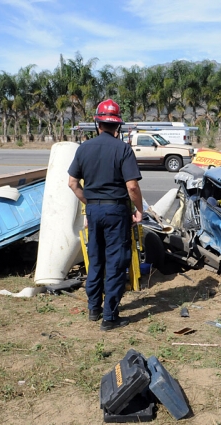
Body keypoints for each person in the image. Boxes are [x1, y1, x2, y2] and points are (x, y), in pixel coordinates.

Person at [68, 99, 143, 331]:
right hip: (116, 211)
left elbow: (72, 183)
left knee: (96, 257)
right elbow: (132, 187)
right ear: (117, 126)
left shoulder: (84, 148)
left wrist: (89, 203)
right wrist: (139, 210)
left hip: (94, 209)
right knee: (116, 261)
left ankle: (94, 308)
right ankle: (110, 317)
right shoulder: (123, 149)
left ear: (97, 123)